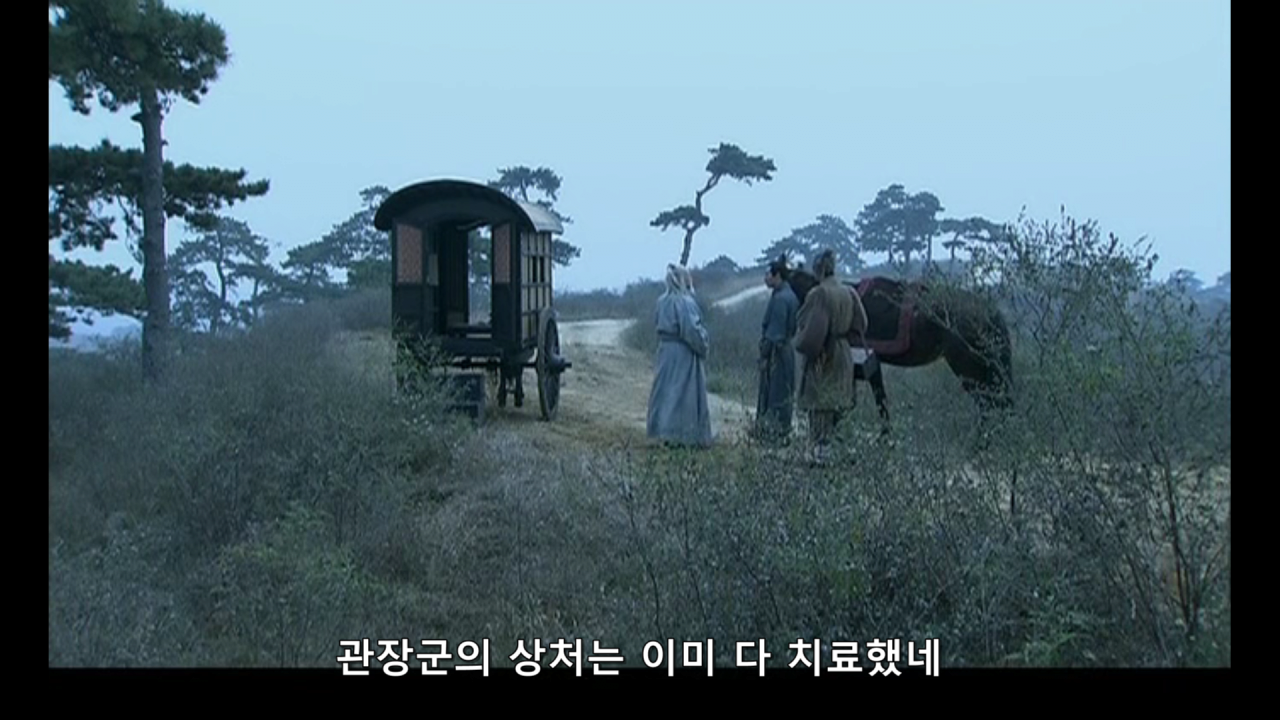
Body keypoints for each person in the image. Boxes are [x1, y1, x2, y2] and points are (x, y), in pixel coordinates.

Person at [794, 249, 864, 463]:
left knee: (821, 404)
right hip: (844, 353)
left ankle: (821, 455)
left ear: (819, 269)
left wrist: (802, 344)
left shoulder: (819, 293)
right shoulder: (849, 292)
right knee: (840, 403)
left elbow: (811, 331)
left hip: (825, 355)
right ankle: (839, 452)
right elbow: (862, 323)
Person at [646, 263, 713, 447]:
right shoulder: (685, 302)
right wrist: (703, 345)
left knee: (664, 391)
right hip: (682, 352)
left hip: (665, 351)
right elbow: (691, 329)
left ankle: (662, 430)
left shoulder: (662, 301)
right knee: (682, 393)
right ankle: (681, 435)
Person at [754, 254, 799, 443]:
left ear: (777, 275)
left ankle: (773, 433)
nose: (765, 278)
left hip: (777, 353)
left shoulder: (781, 299)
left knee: (775, 394)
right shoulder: (788, 295)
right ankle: (778, 431)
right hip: (785, 351)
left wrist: (764, 356)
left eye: (768, 274)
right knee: (781, 393)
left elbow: (775, 333)